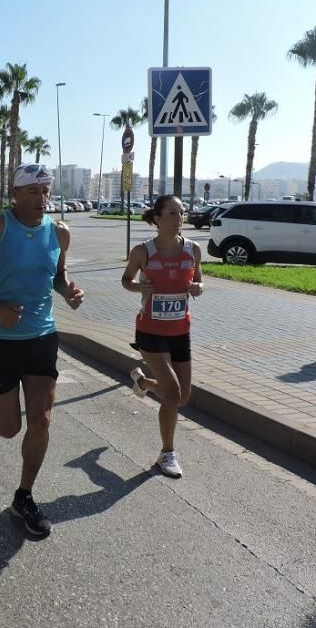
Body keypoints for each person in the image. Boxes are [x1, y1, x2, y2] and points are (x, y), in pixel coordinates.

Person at [0, 163, 84, 538]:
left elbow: (57, 277)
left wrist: (69, 292)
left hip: (42, 336)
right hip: (1, 339)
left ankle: (24, 496)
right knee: (9, 428)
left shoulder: (60, 232)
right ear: (15, 194)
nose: (42, 198)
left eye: (46, 191)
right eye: (33, 191)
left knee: (41, 420)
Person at [121, 195, 203, 479]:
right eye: (172, 213)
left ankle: (142, 381)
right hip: (150, 330)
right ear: (157, 219)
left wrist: (197, 287)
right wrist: (139, 288)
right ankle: (167, 454)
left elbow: (199, 279)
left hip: (181, 330)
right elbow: (126, 280)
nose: (179, 218)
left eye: (181, 213)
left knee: (183, 396)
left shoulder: (193, 250)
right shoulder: (143, 251)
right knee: (172, 392)